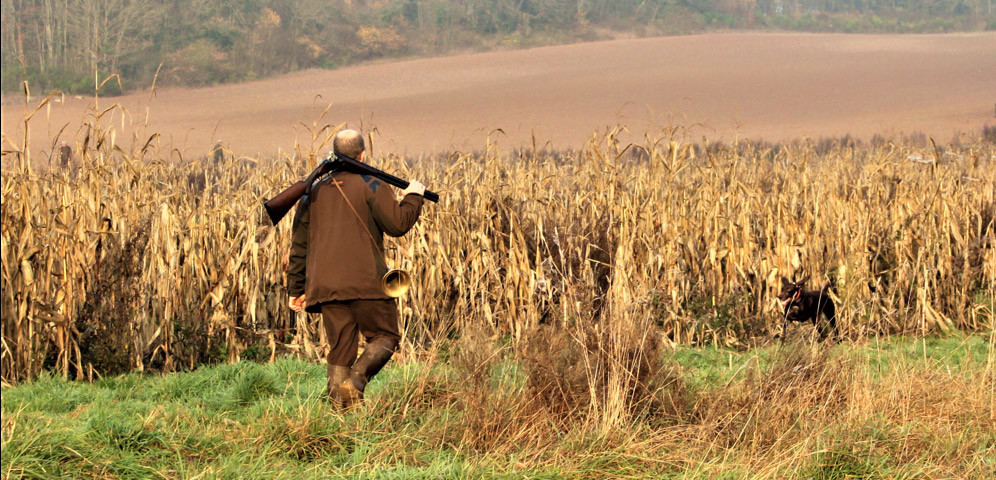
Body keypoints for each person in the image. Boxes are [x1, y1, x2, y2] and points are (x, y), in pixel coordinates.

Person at [286, 129, 425, 409]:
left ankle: (341, 422)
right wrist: (413, 197)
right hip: (367, 283)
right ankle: (357, 381)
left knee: (340, 352)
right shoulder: (372, 184)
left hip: (326, 288)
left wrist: (296, 289)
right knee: (386, 336)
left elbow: (299, 245)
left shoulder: (313, 190)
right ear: (363, 154)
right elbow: (397, 225)